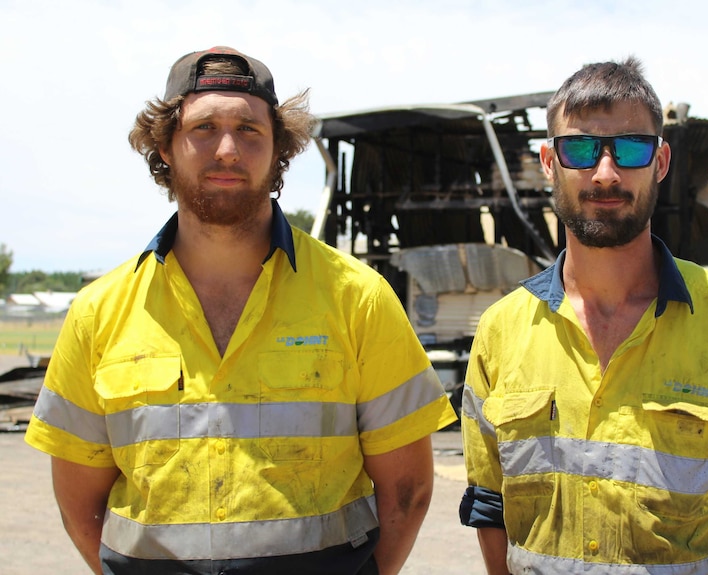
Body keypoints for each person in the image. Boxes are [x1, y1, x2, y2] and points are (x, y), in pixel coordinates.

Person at [25, 46, 457, 575]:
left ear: (279, 151)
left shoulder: (357, 298)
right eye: (203, 128)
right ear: (164, 146)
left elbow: (407, 492)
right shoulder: (98, 312)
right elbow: (78, 503)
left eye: (250, 131)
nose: (227, 149)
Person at [458, 57, 708, 575]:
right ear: (548, 162)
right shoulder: (500, 331)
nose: (606, 173)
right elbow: (490, 505)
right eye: (580, 148)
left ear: (662, 162)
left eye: (630, 149)